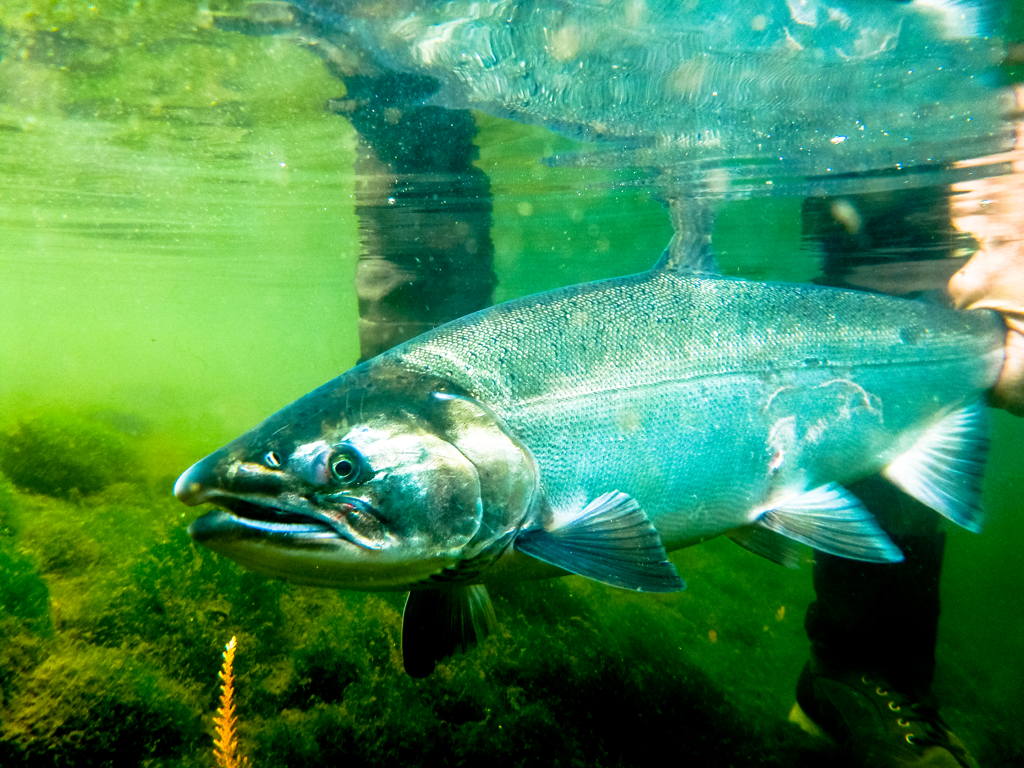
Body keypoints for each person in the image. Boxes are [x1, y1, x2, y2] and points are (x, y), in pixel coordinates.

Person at [790, 85, 1024, 768]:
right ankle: (854, 671)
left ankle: (864, 675)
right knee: (888, 374)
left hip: (920, 122)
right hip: (876, 130)